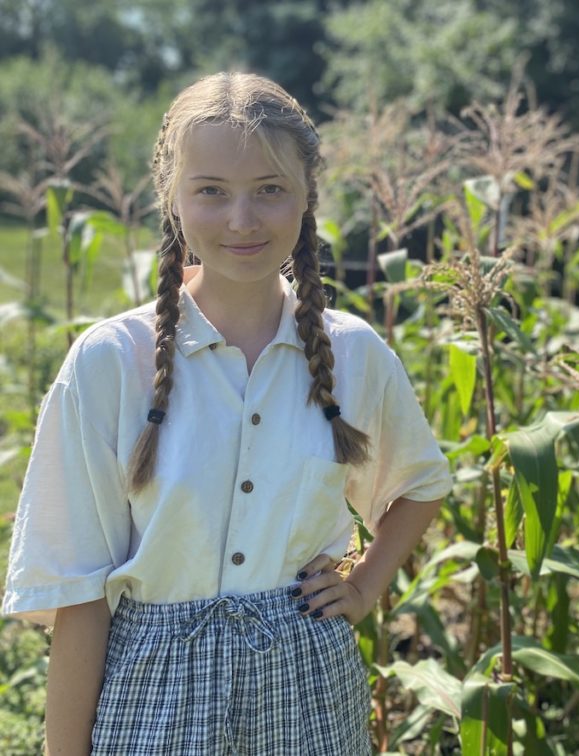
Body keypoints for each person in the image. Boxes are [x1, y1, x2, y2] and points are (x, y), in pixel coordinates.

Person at [2, 72, 453, 755]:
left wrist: (363, 587)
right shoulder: (110, 362)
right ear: (173, 198)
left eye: (270, 189)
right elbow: (79, 591)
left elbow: (421, 482)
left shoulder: (354, 354)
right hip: (151, 691)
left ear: (307, 195)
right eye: (211, 191)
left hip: (308, 685)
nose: (242, 220)